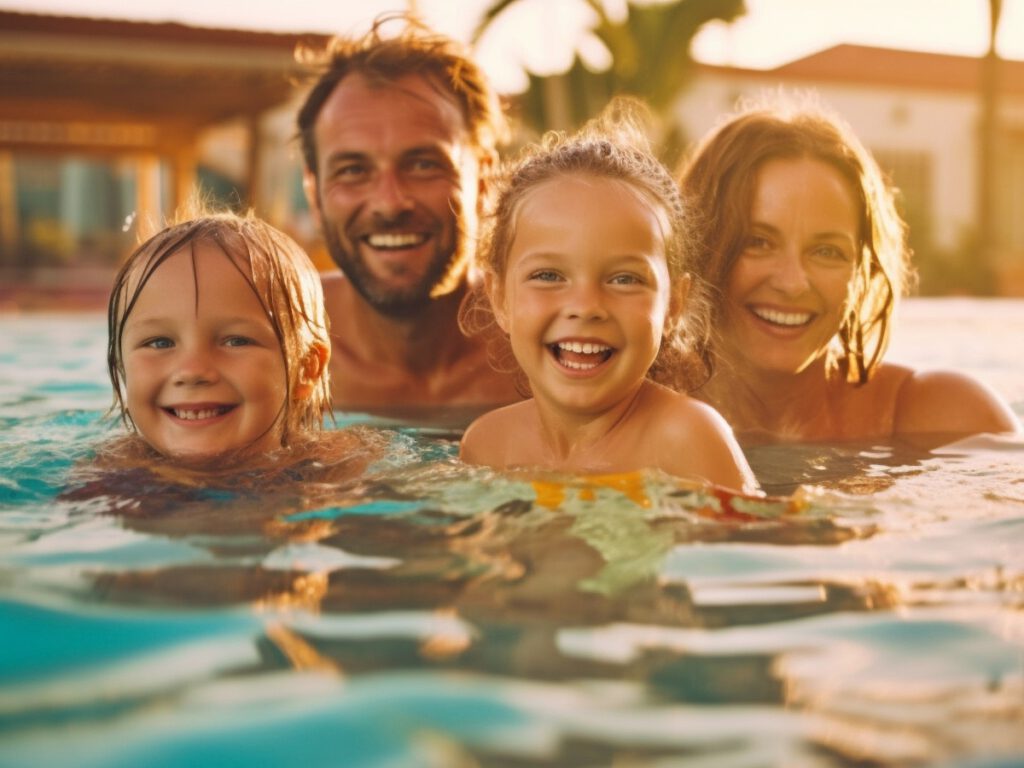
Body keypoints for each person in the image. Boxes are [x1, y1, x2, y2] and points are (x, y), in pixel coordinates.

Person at [678, 96, 1020, 445]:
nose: (793, 282)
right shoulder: (637, 422)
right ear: (694, 246)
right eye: (757, 242)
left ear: (862, 268)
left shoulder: (948, 417)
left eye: (827, 251)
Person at [459, 106, 758, 494]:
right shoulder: (488, 444)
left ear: (672, 305)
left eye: (624, 279)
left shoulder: (688, 440)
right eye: (548, 276)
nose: (585, 306)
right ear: (499, 298)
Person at [295, 14, 521, 422]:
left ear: (484, 179)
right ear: (314, 193)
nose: (390, 203)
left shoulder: (552, 352)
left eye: (422, 164)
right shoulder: (274, 351)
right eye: (353, 170)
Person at [105, 210, 374, 472]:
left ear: (306, 368)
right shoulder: (112, 473)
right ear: (121, 363)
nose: (192, 372)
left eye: (235, 341)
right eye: (160, 343)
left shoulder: (333, 471)